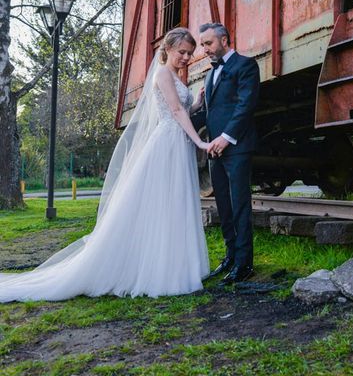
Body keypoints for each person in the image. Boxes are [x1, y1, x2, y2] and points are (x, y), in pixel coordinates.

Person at [0, 28, 213, 302]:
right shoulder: (162, 73)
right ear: (168, 49)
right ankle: (160, 271)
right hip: (168, 145)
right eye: (181, 52)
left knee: (174, 203)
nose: (186, 57)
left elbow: (180, 111)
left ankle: (175, 266)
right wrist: (200, 142)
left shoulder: (173, 76)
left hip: (174, 142)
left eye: (189, 53)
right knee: (164, 204)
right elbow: (173, 113)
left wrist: (195, 103)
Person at [198, 22, 260, 284]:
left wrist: (226, 137)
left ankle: (245, 263)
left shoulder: (246, 65)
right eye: (202, 45)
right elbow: (210, 113)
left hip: (236, 148)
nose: (205, 50)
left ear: (224, 40)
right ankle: (231, 256)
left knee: (239, 205)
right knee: (222, 204)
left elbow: (246, 106)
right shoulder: (209, 73)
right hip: (214, 150)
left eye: (208, 43)